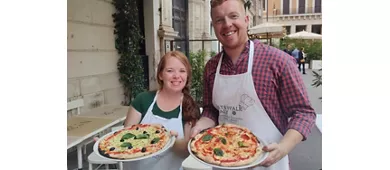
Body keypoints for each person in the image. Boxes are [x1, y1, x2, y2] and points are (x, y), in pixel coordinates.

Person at [190, 0, 316, 170]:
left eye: (233, 16)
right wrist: (199, 126)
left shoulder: (279, 61)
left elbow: (304, 113)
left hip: (269, 161)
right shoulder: (211, 67)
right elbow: (211, 110)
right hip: (223, 157)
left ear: (247, 20)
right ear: (214, 26)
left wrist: (283, 148)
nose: (227, 24)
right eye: (219, 20)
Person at [123, 51, 201, 170]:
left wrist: (170, 140)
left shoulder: (190, 107)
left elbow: (184, 152)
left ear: (187, 76)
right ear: (160, 75)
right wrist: (108, 146)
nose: (176, 76)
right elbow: (125, 137)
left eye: (182, 71)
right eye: (170, 71)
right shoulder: (143, 100)